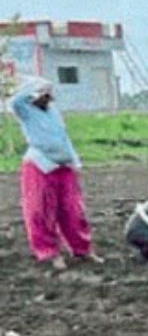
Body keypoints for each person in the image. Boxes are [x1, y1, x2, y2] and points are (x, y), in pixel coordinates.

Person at [9, 75, 95, 270]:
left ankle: (82, 249)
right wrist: (32, 85)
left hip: (64, 164)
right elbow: (15, 100)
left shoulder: (53, 111)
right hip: (40, 164)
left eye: (49, 93)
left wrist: (74, 161)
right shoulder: (25, 110)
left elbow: (63, 137)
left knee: (73, 210)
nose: (48, 96)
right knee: (41, 210)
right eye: (43, 93)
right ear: (33, 95)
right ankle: (49, 253)